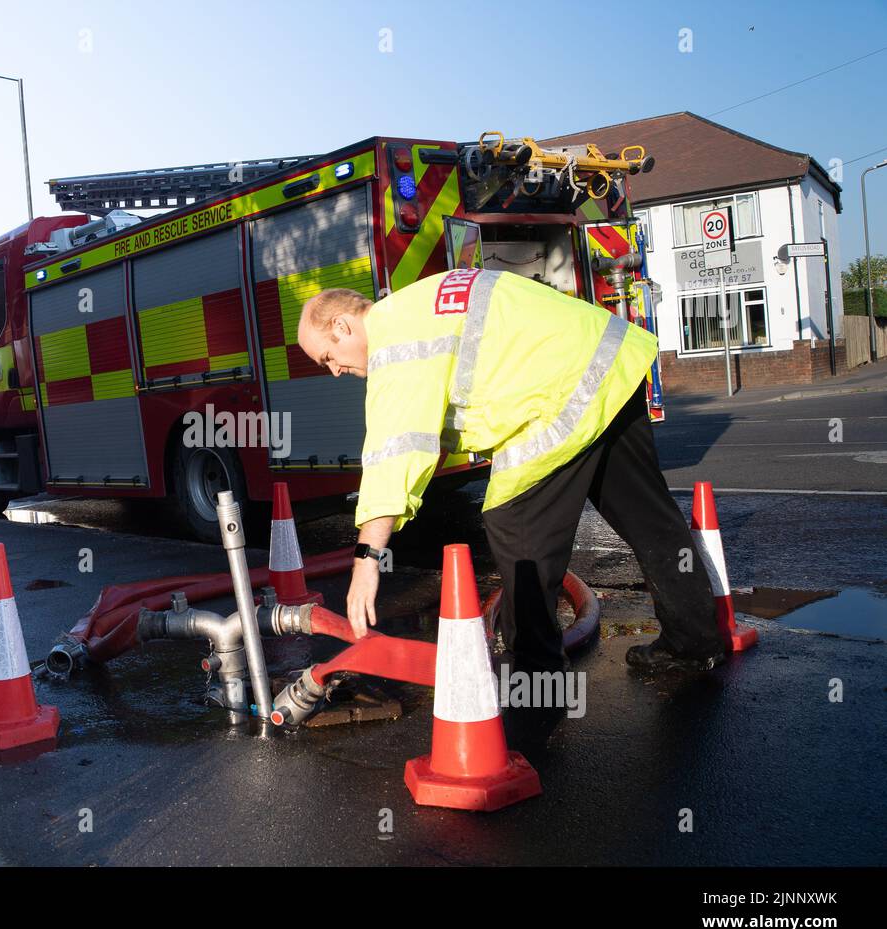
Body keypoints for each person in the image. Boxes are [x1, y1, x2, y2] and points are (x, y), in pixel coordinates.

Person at [297, 268, 729, 674]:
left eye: (327, 358)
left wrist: (367, 559)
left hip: (563, 395)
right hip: (609, 364)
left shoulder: (396, 342)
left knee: (514, 524)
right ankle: (695, 643)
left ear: (341, 327)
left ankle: (538, 680)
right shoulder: (418, 303)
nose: (334, 371)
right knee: (648, 518)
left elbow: (394, 453)